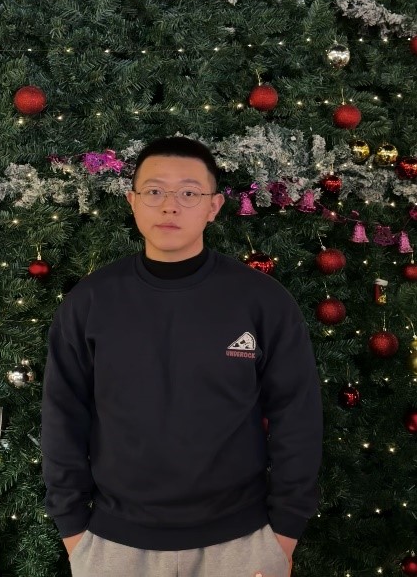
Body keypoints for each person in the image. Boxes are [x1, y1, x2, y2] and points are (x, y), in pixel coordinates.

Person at [41, 136, 323, 577]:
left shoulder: (263, 300)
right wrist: (73, 529)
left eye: (189, 193)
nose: (170, 206)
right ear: (133, 201)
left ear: (213, 206)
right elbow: (62, 415)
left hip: (243, 540)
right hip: (113, 544)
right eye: (154, 191)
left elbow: (297, 415)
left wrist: (286, 528)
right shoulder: (89, 301)